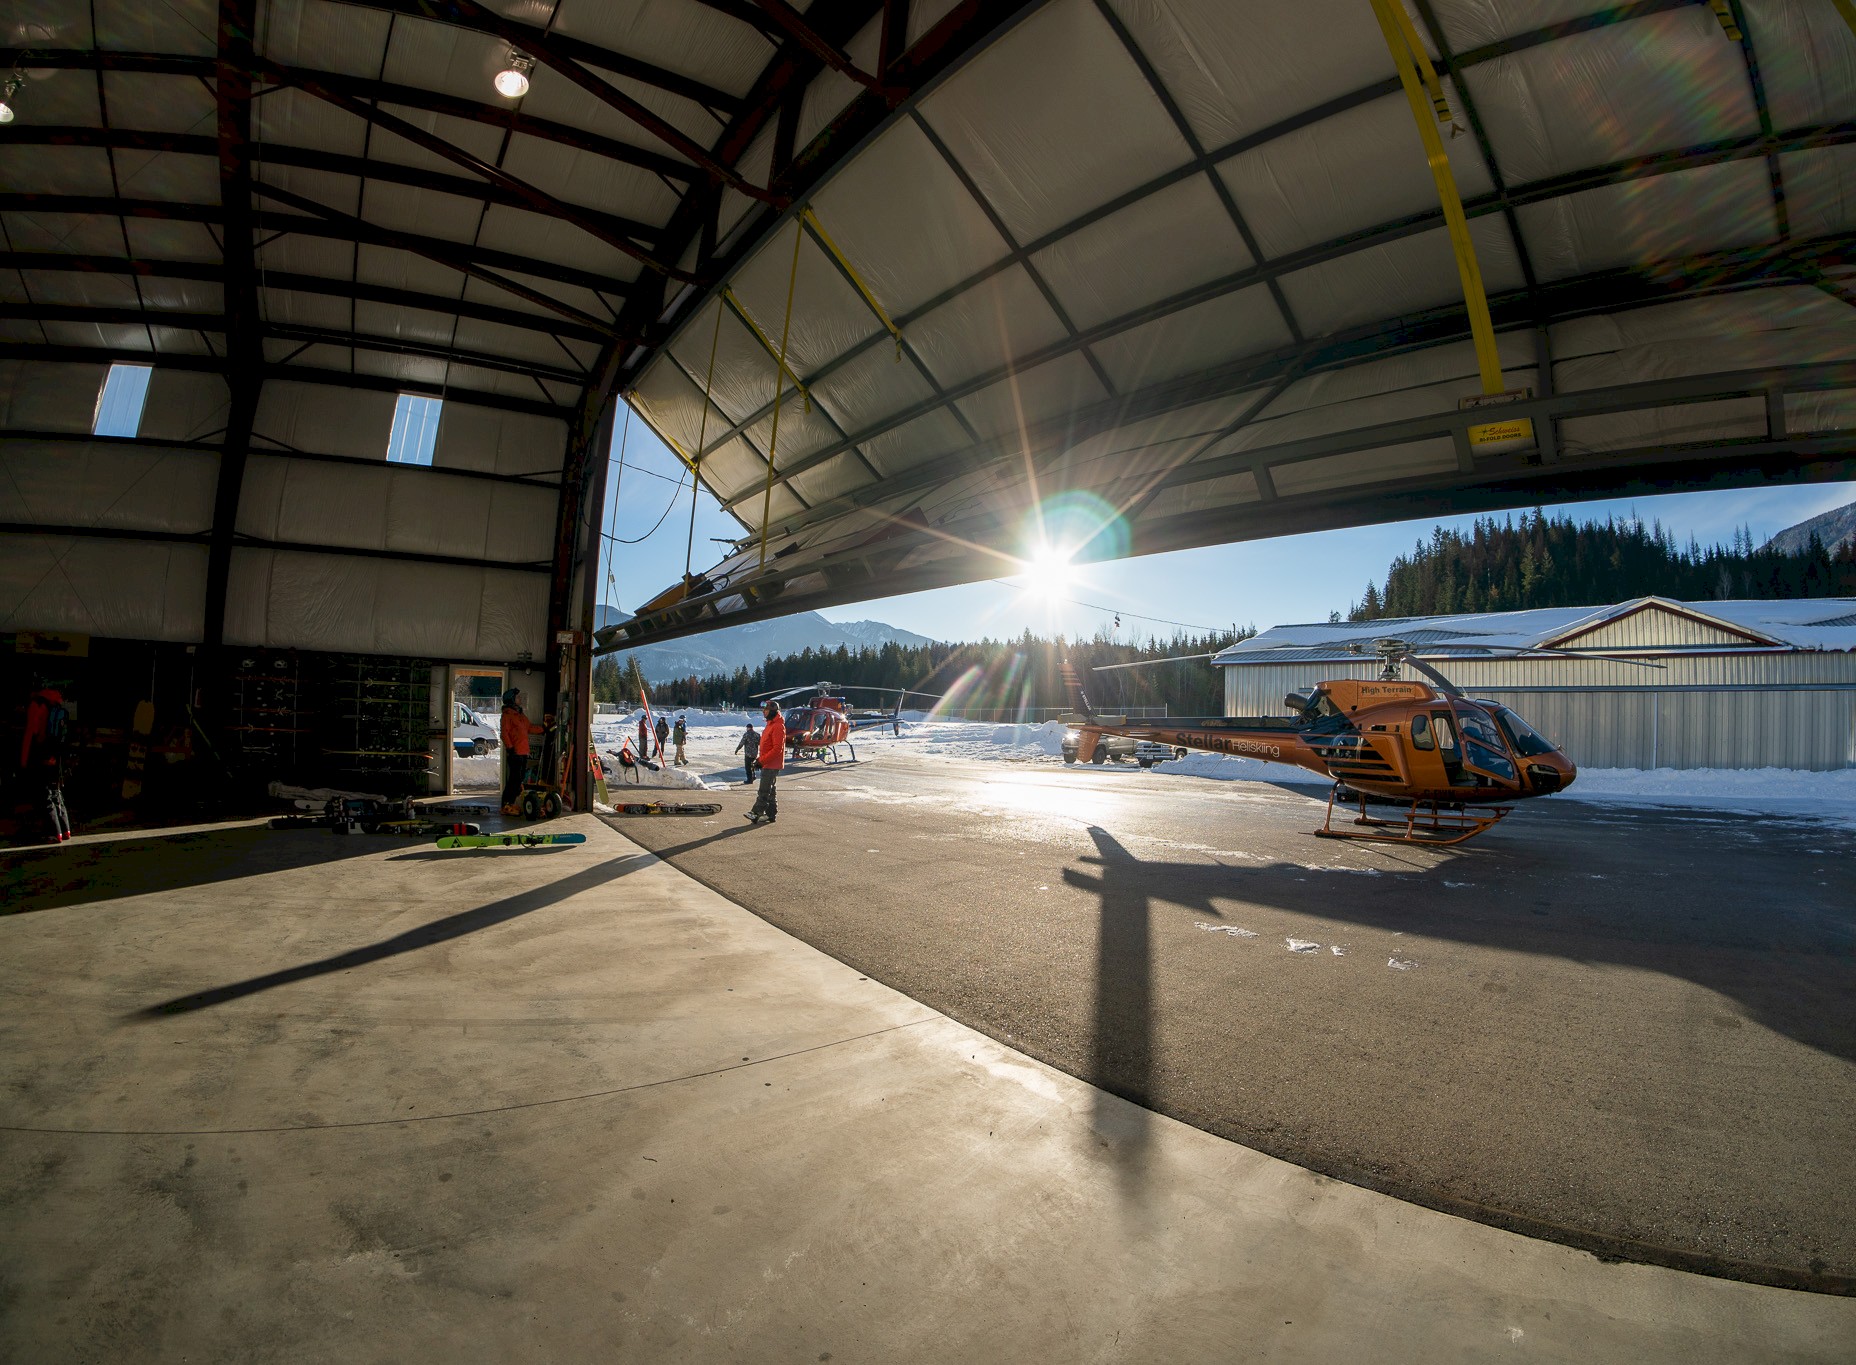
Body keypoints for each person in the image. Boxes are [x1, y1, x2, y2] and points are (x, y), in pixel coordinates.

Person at [19, 682, 72, 844]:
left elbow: (31, 733)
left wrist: (24, 760)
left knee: (45, 794)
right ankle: (65, 829)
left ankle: (53, 832)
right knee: (56, 792)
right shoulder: (56, 704)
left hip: (43, 754)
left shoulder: (37, 705)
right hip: (57, 757)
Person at [499, 688, 549, 816]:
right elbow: (504, 733)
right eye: (517, 698)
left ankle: (513, 803)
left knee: (519, 778)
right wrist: (510, 748)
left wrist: (543, 729)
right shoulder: (507, 715)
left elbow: (529, 727)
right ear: (511, 700)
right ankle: (506, 804)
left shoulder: (520, 715)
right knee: (514, 779)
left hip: (523, 751)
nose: (519, 699)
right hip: (515, 752)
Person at [745, 700, 785, 825]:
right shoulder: (770, 724)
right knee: (770, 791)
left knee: (764, 790)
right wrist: (759, 760)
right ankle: (770, 815)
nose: (763, 712)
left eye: (766, 710)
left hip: (771, 764)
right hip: (767, 762)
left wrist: (762, 761)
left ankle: (756, 812)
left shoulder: (778, 726)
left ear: (772, 711)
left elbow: (777, 749)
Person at [734, 721, 758, 786]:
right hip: (755, 754)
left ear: (748, 728)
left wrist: (737, 749)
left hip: (748, 754)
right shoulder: (757, 734)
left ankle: (749, 780)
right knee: (752, 765)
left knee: (748, 767)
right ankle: (753, 776)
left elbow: (742, 743)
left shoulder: (746, 734)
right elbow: (760, 743)